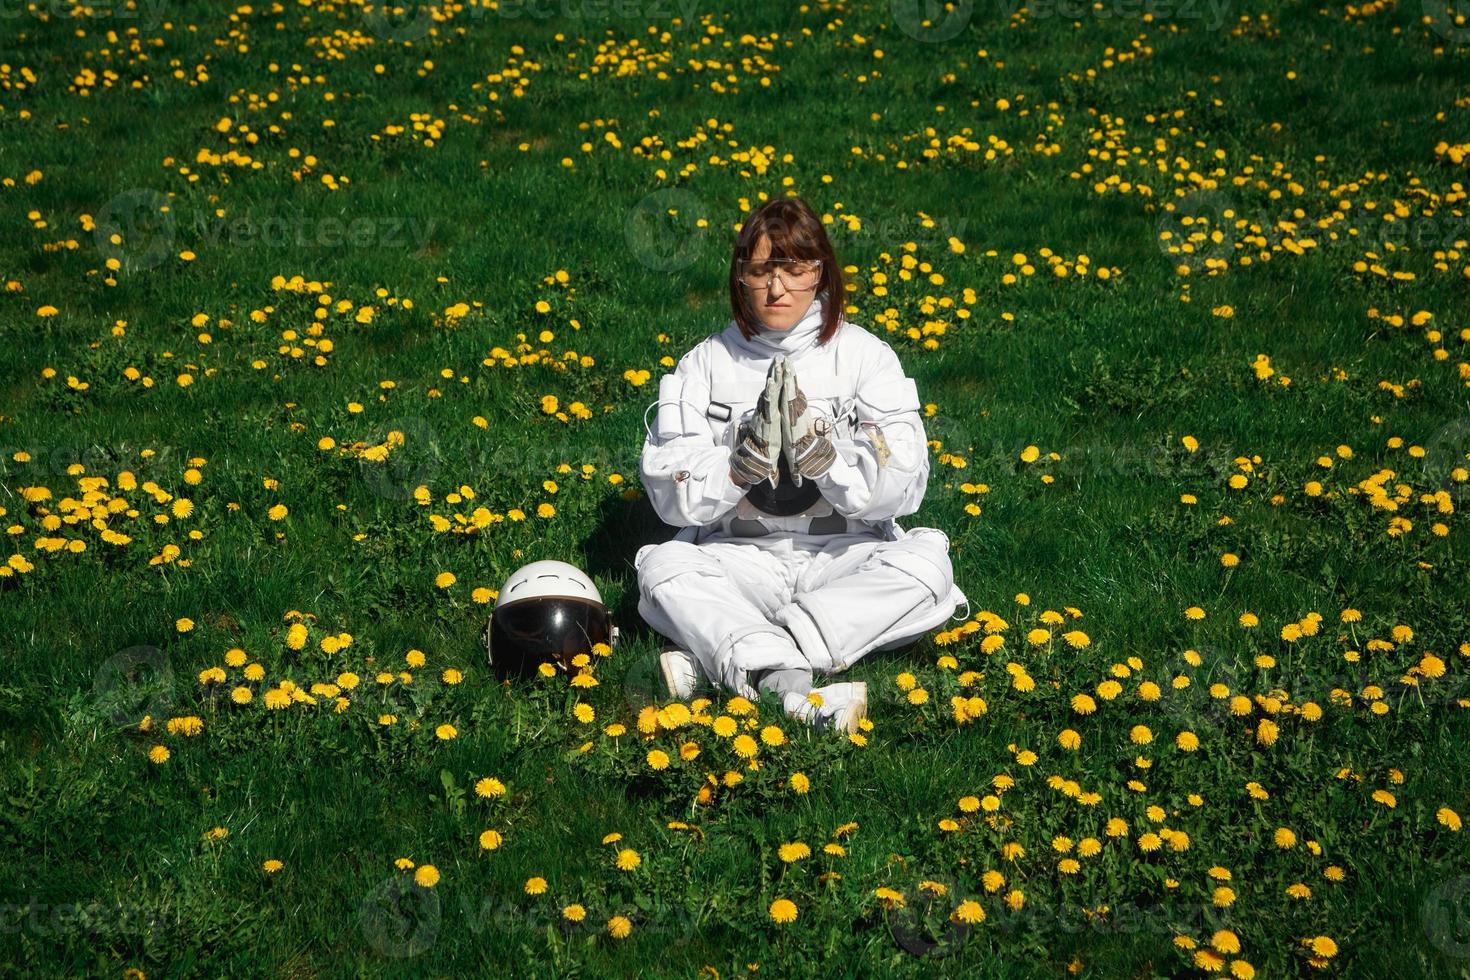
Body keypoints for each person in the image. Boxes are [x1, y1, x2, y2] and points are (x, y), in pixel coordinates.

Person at [634, 196, 969, 733]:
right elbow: (669, 494)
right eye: (762, 270)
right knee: (662, 568)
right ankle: (793, 681)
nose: (777, 288)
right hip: (739, 557)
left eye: (795, 269)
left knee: (928, 569)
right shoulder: (705, 363)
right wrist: (737, 467)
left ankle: (735, 656)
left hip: (844, 552)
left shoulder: (865, 356)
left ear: (822, 274)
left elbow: (906, 480)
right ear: (741, 276)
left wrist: (830, 460)